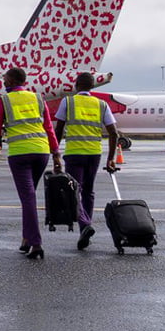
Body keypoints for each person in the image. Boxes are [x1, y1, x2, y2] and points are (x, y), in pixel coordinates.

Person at [0, 67, 61, 260]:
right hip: (41, 152)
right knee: (29, 198)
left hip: (20, 155)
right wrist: (56, 153)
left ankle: (36, 243)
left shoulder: (4, 100)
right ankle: (27, 239)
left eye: (5, 79)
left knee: (28, 199)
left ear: (11, 81)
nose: (3, 82)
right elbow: (49, 127)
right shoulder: (37, 98)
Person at [53, 72, 123, 250]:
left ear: (76, 85)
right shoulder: (101, 104)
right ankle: (86, 229)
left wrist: (55, 152)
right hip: (94, 154)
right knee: (89, 192)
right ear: (92, 87)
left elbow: (58, 129)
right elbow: (114, 132)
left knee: (73, 192)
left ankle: (85, 225)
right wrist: (110, 159)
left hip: (74, 153)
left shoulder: (67, 102)